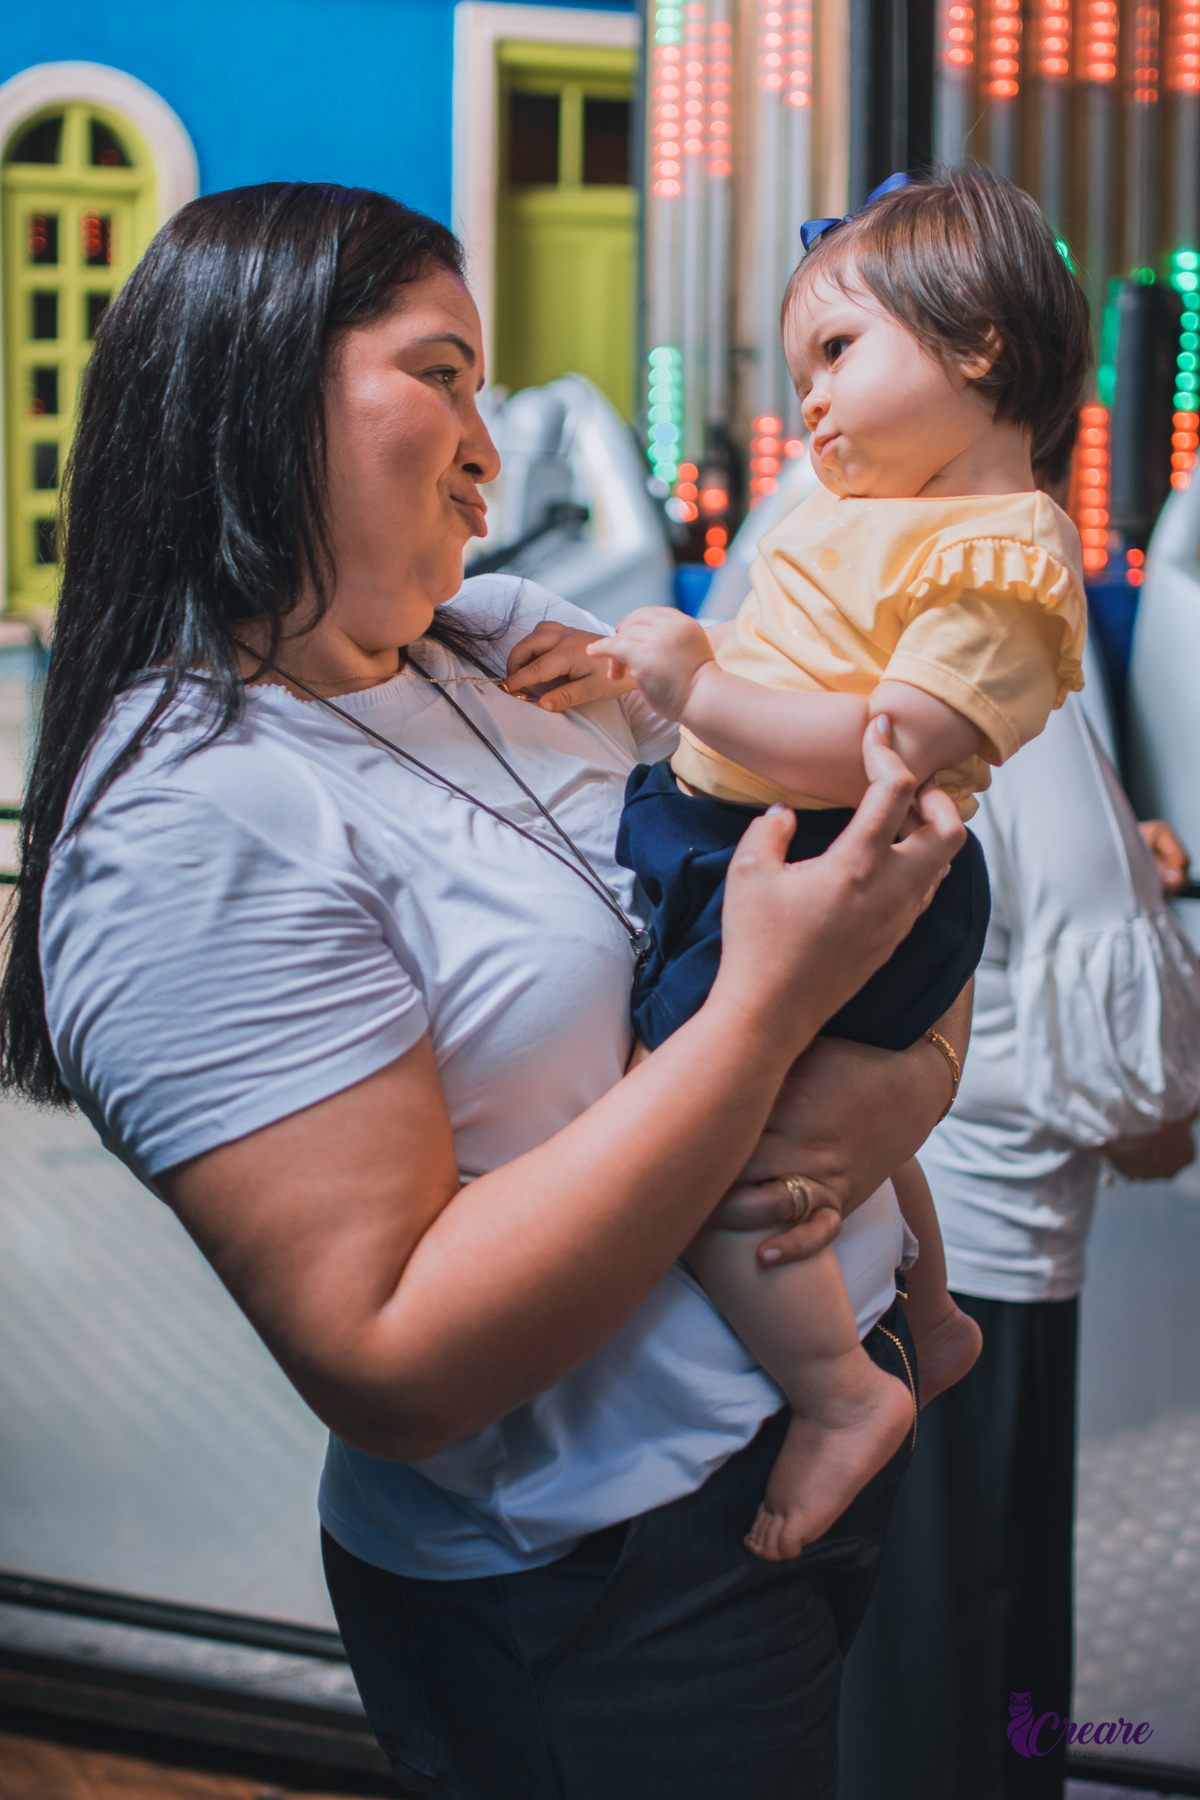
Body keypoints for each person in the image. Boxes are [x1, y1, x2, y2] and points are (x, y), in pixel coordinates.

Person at [0, 183, 971, 1800]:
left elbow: (810, 870)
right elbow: (395, 1356)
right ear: (254, 394)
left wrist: (893, 1059)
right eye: (439, 374)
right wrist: (768, 1011)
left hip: (816, 1426)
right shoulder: (184, 822)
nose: (488, 445)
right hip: (606, 1578)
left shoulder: (509, 643)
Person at [538, 167, 1091, 1562]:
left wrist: (699, 690)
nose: (813, 404)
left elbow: (880, 749)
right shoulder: (870, 516)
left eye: (839, 352)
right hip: (754, 844)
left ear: (981, 345)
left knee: (697, 1148)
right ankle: (934, 1315)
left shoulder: (1001, 558)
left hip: (845, 866)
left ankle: (843, 1393)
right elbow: (797, 661)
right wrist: (659, 673)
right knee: (813, 1114)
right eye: (803, 373)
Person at [836, 644, 1200, 1800]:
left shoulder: (813, 631)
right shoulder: (1008, 687)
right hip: (977, 1269)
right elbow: (1141, 1095)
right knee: (972, 1693)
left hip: (862, 1259)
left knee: (896, 1682)